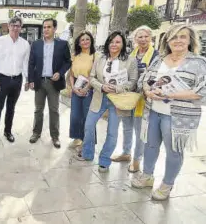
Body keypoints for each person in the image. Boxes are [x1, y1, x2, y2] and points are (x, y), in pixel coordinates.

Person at [131, 25, 206, 200]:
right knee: (150, 145)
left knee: (174, 151)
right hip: (153, 111)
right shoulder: (160, 60)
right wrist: (147, 91)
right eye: (173, 37)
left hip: (179, 117)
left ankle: (167, 184)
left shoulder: (198, 63)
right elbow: (145, 80)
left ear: (190, 40)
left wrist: (170, 95)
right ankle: (147, 176)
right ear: (167, 41)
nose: (178, 40)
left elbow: (202, 91)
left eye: (182, 37)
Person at [76, 31, 138, 173]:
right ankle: (87, 153)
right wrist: (102, 86)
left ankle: (104, 160)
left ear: (123, 44)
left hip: (118, 100)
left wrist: (118, 88)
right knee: (89, 125)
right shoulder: (101, 58)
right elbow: (92, 77)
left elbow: (133, 81)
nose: (114, 44)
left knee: (112, 132)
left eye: (117, 42)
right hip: (100, 96)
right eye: (111, 41)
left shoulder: (130, 60)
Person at [111, 26, 158, 172]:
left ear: (150, 38)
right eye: (140, 37)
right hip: (128, 96)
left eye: (146, 36)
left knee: (140, 130)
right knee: (126, 126)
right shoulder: (131, 54)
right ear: (135, 39)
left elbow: (156, 77)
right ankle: (126, 153)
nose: (143, 39)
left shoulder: (156, 56)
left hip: (143, 99)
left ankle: (137, 160)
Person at [28, 18, 71, 148]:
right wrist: (30, 80)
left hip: (54, 83)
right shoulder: (36, 44)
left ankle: (55, 136)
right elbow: (31, 63)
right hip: (39, 82)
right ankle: (36, 133)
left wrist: (60, 72)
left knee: (54, 110)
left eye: (49, 27)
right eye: (44, 27)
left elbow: (68, 61)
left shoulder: (62, 44)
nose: (46, 29)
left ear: (55, 29)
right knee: (38, 109)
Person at [0, 16, 30, 145]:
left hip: (17, 80)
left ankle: (8, 132)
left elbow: (25, 63)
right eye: (13, 25)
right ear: (8, 26)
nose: (15, 28)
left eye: (18, 25)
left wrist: (27, 80)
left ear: (21, 27)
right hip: (2, 79)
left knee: (11, 108)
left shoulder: (25, 44)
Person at [68, 31, 96, 149]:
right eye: (82, 40)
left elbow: (95, 75)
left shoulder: (95, 55)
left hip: (89, 88)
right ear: (78, 43)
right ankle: (77, 137)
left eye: (87, 39)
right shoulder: (74, 55)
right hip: (76, 86)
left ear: (91, 41)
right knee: (75, 115)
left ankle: (87, 140)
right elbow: (71, 73)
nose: (85, 41)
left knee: (87, 115)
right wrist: (73, 87)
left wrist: (86, 88)